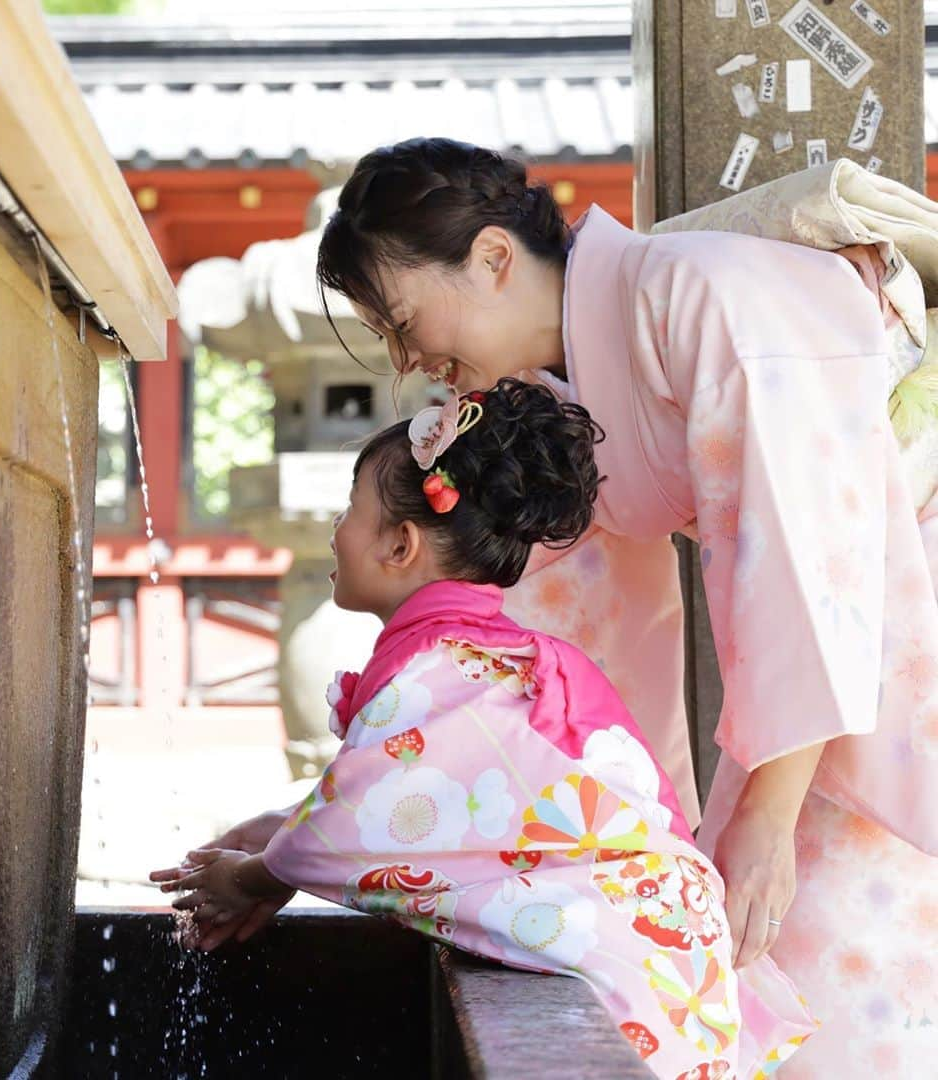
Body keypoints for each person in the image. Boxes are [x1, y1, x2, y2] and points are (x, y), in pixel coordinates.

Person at [301, 138, 938, 1077]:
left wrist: (766, 812)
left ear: (490, 258)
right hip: (844, 635)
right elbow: (567, 640)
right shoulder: (553, 394)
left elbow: (810, 548)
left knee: (838, 936)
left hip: (887, 593)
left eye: (401, 324)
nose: (407, 363)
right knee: (740, 932)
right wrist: (612, 837)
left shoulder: (704, 294)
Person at [153, 379, 816, 1080]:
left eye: (351, 509)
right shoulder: (484, 662)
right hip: (658, 948)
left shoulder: (440, 672)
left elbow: (358, 824)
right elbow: (427, 799)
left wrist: (258, 875)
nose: (335, 529)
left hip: (630, 972)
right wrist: (277, 827)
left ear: (401, 544)